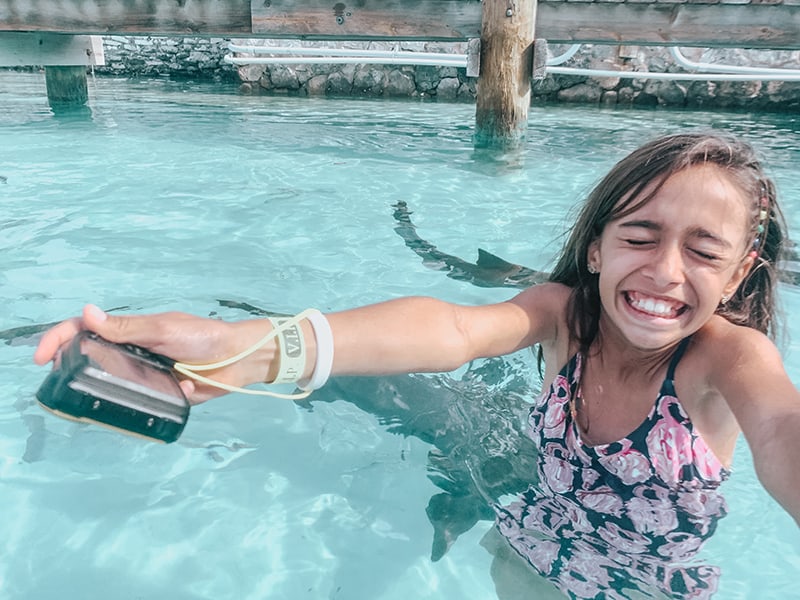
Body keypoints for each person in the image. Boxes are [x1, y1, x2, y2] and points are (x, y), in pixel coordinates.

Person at [34, 132, 800, 598]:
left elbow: (782, 430)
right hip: (532, 541)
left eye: (703, 253)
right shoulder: (565, 316)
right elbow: (454, 330)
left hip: (645, 589)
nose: (666, 270)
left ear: (737, 277)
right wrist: (245, 347)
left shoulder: (724, 361)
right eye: (640, 236)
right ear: (595, 247)